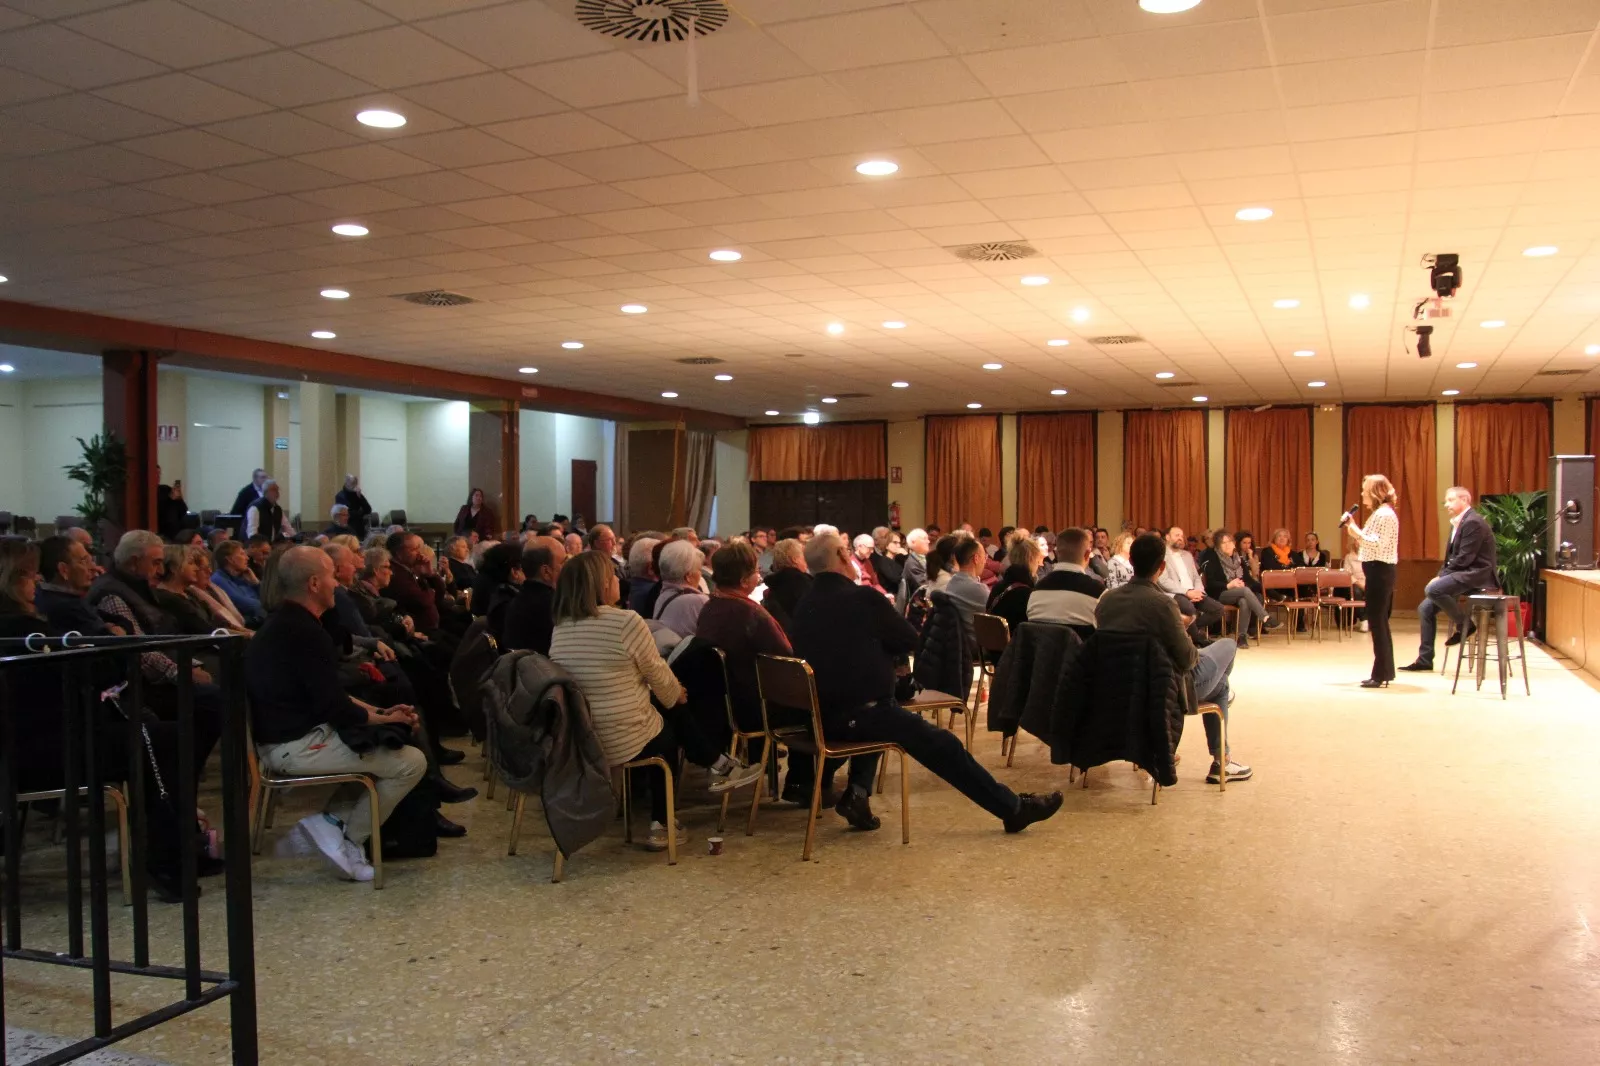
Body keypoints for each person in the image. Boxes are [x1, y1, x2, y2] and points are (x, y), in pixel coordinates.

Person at [786, 532, 1063, 833]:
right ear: (842, 557)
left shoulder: (804, 603)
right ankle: (1013, 809)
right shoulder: (862, 599)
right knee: (943, 744)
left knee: (886, 706)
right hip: (857, 713)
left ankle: (858, 794)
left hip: (819, 714)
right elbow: (908, 639)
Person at [548, 551, 762, 851]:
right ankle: (664, 820)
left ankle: (719, 765)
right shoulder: (625, 621)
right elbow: (659, 676)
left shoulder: (562, 627)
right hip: (622, 738)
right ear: (599, 585)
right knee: (667, 719)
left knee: (660, 706)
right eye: (611, 577)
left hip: (582, 735)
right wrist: (677, 694)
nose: (617, 582)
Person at [247, 547, 427, 882]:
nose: (338, 584)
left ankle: (331, 823)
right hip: (293, 745)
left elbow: (331, 695)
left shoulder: (288, 622)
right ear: (315, 583)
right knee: (411, 762)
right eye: (332, 575)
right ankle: (348, 839)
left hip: (292, 734)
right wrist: (388, 720)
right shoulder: (304, 632)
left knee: (388, 746)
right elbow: (335, 707)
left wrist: (381, 712)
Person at [1096, 533, 1251, 783]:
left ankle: (1220, 753)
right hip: (1168, 688)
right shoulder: (1163, 604)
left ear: (1131, 562)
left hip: (1123, 686)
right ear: (1162, 567)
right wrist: (1184, 629)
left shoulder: (1106, 601)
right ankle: (1222, 761)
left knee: (1219, 683)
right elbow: (1188, 659)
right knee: (1227, 648)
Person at [694, 542, 793, 737]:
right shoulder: (750, 612)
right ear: (743, 579)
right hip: (756, 706)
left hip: (722, 702)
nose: (760, 575)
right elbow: (786, 655)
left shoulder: (710, 607)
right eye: (757, 571)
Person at [1401, 486, 1498, 672]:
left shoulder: (1473, 522)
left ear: (1465, 500)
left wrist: (1440, 579)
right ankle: (1425, 659)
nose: (1446, 505)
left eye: (1451, 500)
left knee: (1433, 590)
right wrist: (1439, 575)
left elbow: (1464, 559)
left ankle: (1465, 624)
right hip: (1462, 573)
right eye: (1446, 501)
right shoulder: (1458, 523)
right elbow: (1450, 560)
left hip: (1476, 575)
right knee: (1425, 609)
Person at [1344, 474, 1400, 688]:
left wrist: (1355, 531)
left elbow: (1375, 543)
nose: (1362, 494)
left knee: (1378, 622)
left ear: (1375, 492)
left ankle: (1381, 674)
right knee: (1379, 623)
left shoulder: (1384, 514)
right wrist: (1354, 527)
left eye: (1365, 489)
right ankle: (1383, 671)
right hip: (1378, 570)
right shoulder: (1380, 513)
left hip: (1380, 571)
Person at [1199, 530, 1281, 648]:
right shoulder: (1213, 558)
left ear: (1234, 543)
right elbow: (1211, 584)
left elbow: (1247, 579)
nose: (1227, 545)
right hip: (1219, 593)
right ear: (1218, 545)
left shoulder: (1238, 558)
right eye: (1223, 543)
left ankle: (1241, 637)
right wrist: (1229, 585)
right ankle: (1265, 617)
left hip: (1238, 593)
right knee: (1245, 591)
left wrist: (1244, 584)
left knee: (1244, 600)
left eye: (1229, 542)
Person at [1025, 526, 1103, 639]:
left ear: (1056, 552)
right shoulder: (1098, 593)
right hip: (1080, 656)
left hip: (1042, 656)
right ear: (1087, 554)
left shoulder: (1035, 591)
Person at [1157, 526, 1222, 645]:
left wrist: (1199, 591)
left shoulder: (1187, 555)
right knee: (1190, 609)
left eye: (1182, 536)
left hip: (1193, 591)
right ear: (1167, 537)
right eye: (1177, 535)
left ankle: (1187, 630)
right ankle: (1199, 639)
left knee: (1218, 609)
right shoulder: (1161, 555)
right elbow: (1163, 581)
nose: (1180, 538)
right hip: (1175, 593)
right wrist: (1187, 592)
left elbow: (1197, 577)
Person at [502, 536, 566, 654]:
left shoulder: (518, 599)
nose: (568, 568)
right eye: (564, 562)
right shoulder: (554, 606)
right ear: (546, 572)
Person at [986, 534, 1043, 631]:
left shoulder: (998, 587)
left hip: (993, 644)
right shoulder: (1028, 594)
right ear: (1031, 559)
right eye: (1038, 561)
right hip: (1017, 644)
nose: (1039, 565)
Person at [653, 540, 709, 636]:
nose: (701, 574)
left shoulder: (662, 595)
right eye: (699, 570)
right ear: (688, 576)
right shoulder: (698, 600)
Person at [760, 538, 811, 634]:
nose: (806, 561)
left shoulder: (774, 584)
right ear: (795, 559)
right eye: (803, 556)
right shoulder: (801, 584)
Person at [211, 540, 266, 627]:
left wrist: (256, 582)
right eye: (242, 554)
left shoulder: (244, 577)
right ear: (230, 559)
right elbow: (248, 605)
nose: (247, 558)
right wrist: (269, 608)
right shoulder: (218, 579)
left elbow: (267, 597)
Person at [896, 527, 930, 612]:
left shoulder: (925, 559)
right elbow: (924, 586)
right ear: (913, 542)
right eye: (924, 539)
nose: (928, 541)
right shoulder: (912, 563)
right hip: (918, 607)